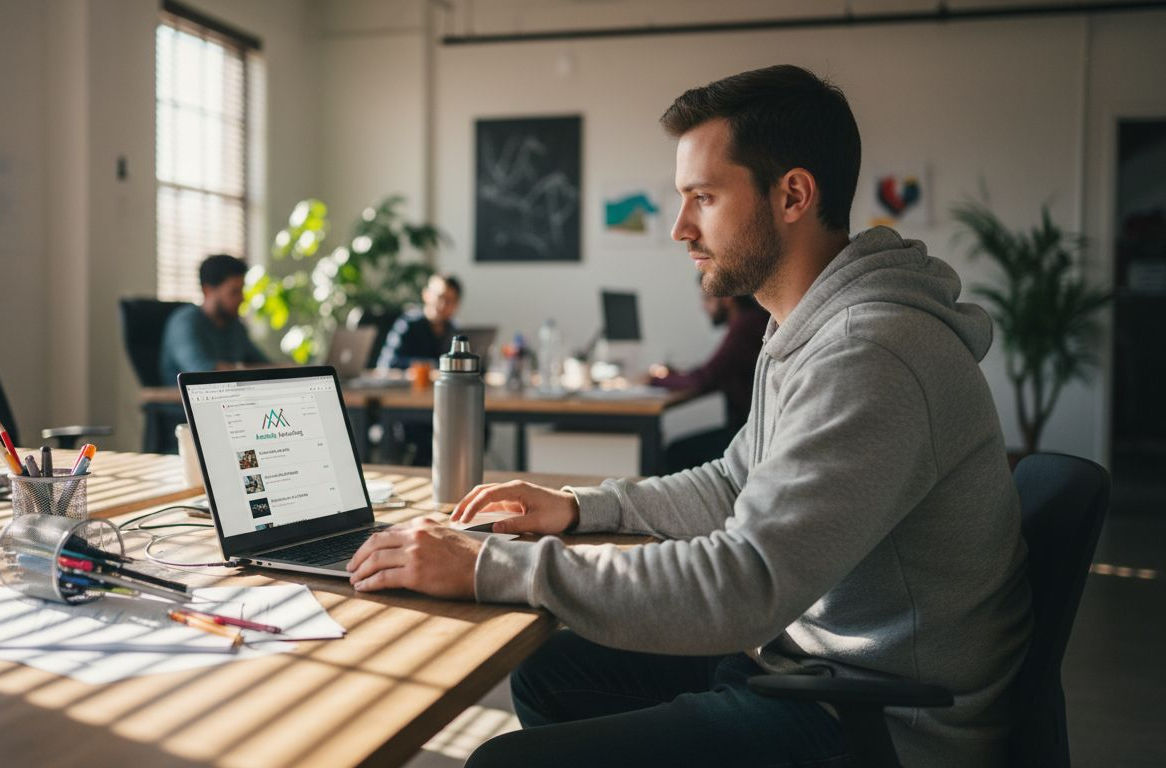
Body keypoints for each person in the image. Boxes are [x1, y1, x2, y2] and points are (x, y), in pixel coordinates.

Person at [344, 64, 1031, 768]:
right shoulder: (809, 326)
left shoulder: (870, 351)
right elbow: (734, 485)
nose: (679, 228)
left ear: (792, 194)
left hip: (878, 718)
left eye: (702, 197)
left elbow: (745, 585)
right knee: (554, 671)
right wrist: (578, 510)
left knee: (501, 762)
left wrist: (495, 565)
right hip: (808, 665)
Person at [649, 278, 769, 468]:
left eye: (707, 299)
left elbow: (703, 379)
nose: (703, 307)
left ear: (728, 298)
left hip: (750, 436)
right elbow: (713, 372)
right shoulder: (751, 321)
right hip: (751, 431)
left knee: (675, 452)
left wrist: (654, 380)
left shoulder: (746, 326)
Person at [159, 254, 269, 385]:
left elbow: (265, 365)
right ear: (208, 291)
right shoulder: (185, 323)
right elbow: (204, 374)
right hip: (185, 403)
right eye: (234, 292)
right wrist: (251, 371)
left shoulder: (235, 325)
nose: (242, 298)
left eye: (242, 291)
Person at [375, 273, 463, 370]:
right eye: (439, 297)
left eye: (449, 301)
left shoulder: (455, 331)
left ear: (456, 304)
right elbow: (388, 362)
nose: (442, 305)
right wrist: (433, 364)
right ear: (426, 295)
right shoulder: (407, 325)